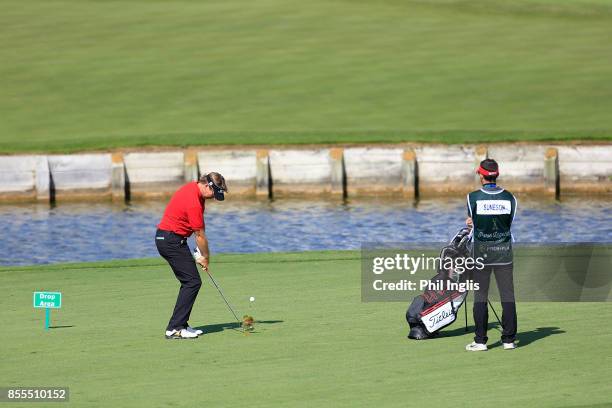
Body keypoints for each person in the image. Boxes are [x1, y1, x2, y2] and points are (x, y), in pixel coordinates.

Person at [155, 172, 227, 340]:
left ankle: (182, 324)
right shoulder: (193, 202)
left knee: (190, 281)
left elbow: (190, 229)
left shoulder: (192, 188)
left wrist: (197, 254)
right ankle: (175, 328)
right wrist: (206, 257)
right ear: (208, 186)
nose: (213, 198)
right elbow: (200, 235)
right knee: (192, 282)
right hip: (170, 241)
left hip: (173, 239)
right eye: (213, 193)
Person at [465, 159, 518, 351]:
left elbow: (475, 222)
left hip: (482, 255)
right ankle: (509, 340)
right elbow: (507, 223)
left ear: (481, 175)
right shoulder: (511, 198)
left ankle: (480, 341)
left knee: (480, 296)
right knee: (508, 296)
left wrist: (473, 223)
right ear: (497, 175)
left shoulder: (472, 198)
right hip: (504, 254)